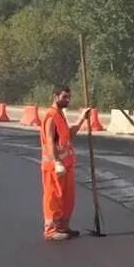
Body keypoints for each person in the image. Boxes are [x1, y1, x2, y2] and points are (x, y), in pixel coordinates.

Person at [40, 85, 90, 241]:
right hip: (55, 166)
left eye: (69, 97)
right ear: (55, 96)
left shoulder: (60, 114)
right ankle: (51, 230)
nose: (67, 100)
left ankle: (63, 226)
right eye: (64, 97)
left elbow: (68, 135)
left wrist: (82, 118)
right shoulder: (50, 115)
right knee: (53, 197)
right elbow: (49, 140)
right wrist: (56, 162)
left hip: (66, 165)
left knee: (68, 198)